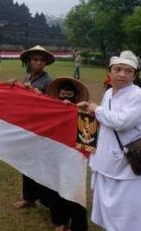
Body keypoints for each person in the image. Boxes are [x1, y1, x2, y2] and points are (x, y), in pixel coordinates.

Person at [78, 50, 141, 231]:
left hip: (127, 160)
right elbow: (106, 118)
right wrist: (88, 109)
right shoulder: (110, 93)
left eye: (128, 71)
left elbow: (121, 122)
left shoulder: (138, 96)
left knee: (127, 208)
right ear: (110, 72)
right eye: (118, 69)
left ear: (134, 75)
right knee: (108, 204)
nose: (122, 75)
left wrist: (97, 110)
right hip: (106, 155)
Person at [11, 45, 55, 210]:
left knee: (40, 165)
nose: (38, 63)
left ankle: (46, 200)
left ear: (45, 63)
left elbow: (53, 106)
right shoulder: (27, 77)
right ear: (29, 61)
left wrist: (39, 95)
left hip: (41, 129)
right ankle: (28, 197)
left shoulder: (49, 81)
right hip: (27, 126)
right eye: (35, 59)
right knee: (26, 163)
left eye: (41, 60)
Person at [46, 78, 91, 231]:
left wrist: (76, 110)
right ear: (57, 94)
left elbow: (87, 136)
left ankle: (78, 226)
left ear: (75, 95)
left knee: (74, 190)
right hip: (55, 153)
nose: (65, 97)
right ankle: (61, 221)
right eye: (62, 94)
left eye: (69, 94)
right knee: (56, 187)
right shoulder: (51, 109)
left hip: (74, 156)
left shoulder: (84, 111)